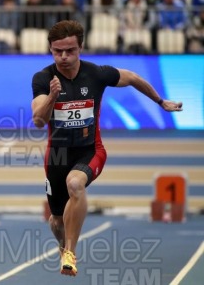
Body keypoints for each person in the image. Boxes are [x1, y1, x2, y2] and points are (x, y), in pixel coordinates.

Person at [30, 20, 182, 277]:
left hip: (91, 150)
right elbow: (38, 120)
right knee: (56, 221)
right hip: (57, 155)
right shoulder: (44, 79)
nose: (64, 57)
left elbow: (132, 77)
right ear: (50, 49)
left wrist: (160, 101)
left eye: (70, 51)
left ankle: (70, 251)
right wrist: (53, 97)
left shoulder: (97, 74)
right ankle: (62, 245)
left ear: (81, 47)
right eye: (58, 51)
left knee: (75, 185)